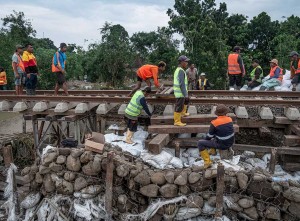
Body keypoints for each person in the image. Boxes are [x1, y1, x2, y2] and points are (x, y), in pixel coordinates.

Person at [197, 104, 234, 169]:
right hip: (230, 142)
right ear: (226, 113)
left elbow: (209, 136)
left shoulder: (214, 123)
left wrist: (206, 141)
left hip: (222, 145)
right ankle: (213, 151)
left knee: (200, 143)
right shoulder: (229, 119)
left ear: (217, 114)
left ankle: (207, 162)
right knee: (217, 133)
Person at [173, 55, 190, 126]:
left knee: (185, 101)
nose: (187, 63)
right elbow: (182, 84)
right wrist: (185, 94)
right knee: (179, 106)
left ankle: (183, 113)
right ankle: (177, 121)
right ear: (182, 62)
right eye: (186, 62)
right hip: (180, 93)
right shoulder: (180, 71)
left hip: (181, 92)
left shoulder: (180, 70)